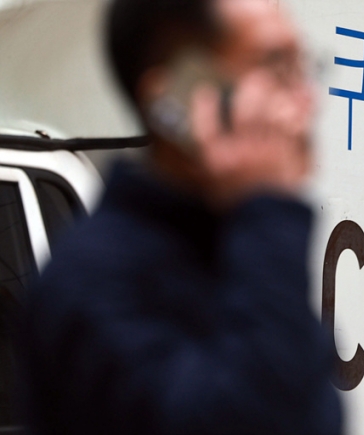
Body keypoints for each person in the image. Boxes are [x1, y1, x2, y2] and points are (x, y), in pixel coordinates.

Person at [18, 0, 342, 433]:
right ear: (175, 95)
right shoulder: (94, 283)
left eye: (302, 67)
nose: (307, 100)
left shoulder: (243, 256)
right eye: (275, 66)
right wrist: (267, 207)